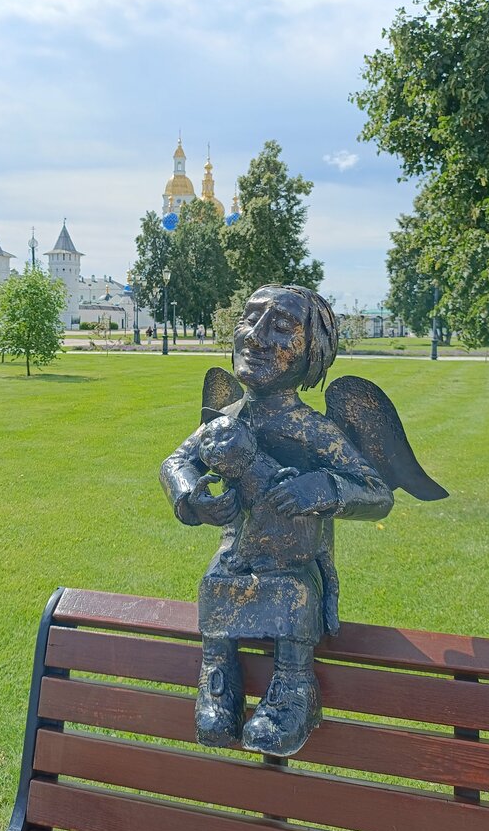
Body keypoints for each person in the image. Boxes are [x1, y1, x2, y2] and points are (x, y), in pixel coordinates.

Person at [160, 284, 394, 756]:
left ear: (311, 352)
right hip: (238, 552)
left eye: (282, 327)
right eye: (249, 320)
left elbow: (377, 492)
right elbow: (176, 462)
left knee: (293, 592)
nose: (256, 336)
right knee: (216, 581)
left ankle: (293, 688)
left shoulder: (312, 430)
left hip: (296, 557)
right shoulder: (227, 420)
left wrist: (322, 488)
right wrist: (191, 497)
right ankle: (218, 680)